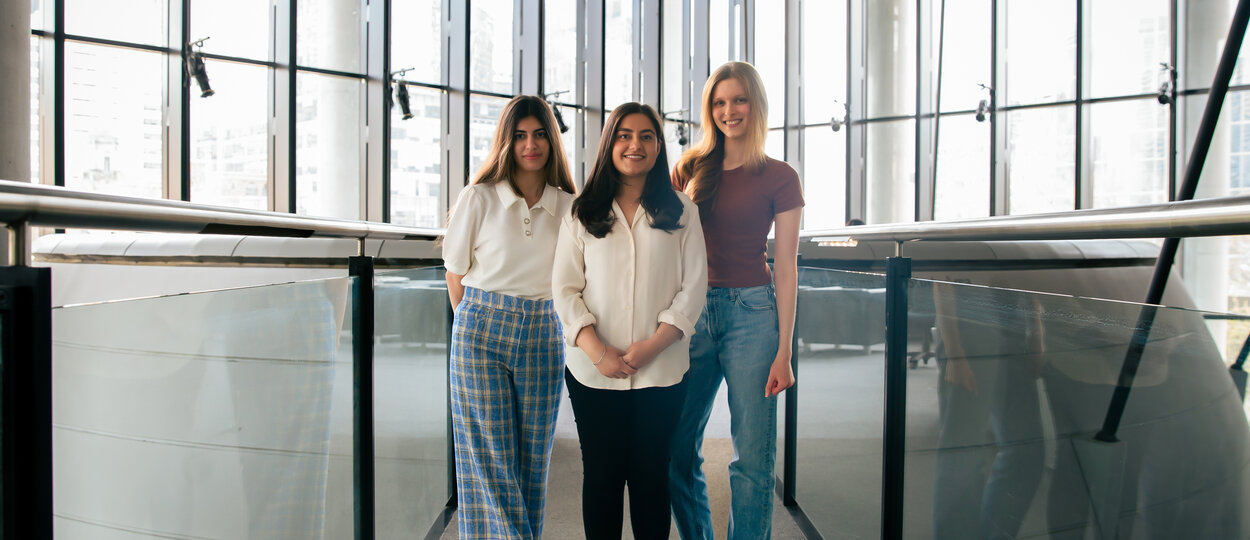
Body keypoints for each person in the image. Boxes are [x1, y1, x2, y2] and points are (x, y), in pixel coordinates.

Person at [552, 102, 707, 539]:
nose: (634, 144)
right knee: (601, 478)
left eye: (645, 136)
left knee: (650, 477)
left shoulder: (682, 211)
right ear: (609, 144)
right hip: (592, 372)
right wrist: (598, 352)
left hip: (662, 370)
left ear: (658, 147)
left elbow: (694, 287)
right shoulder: (582, 210)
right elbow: (564, 289)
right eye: (624, 135)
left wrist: (655, 344)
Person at [668, 61, 804, 540]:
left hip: (753, 315)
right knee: (674, 449)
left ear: (756, 104)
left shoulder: (780, 177)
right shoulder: (687, 169)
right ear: (711, 110)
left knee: (753, 457)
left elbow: (785, 267)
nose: (730, 110)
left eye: (739, 99)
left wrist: (784, 350)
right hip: (692, 314)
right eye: (720, 102)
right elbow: (664, 251)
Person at [442, 95, 576, 539]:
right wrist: (477, 323)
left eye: (539, 134)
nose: (530, 144)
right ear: (506, 141)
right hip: (480, 330)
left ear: (551, 141)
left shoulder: (569, 206)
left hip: (544, 330)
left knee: (531, 464)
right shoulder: (478, 197)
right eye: (519, 135)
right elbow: (455, 273)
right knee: (489, 462)